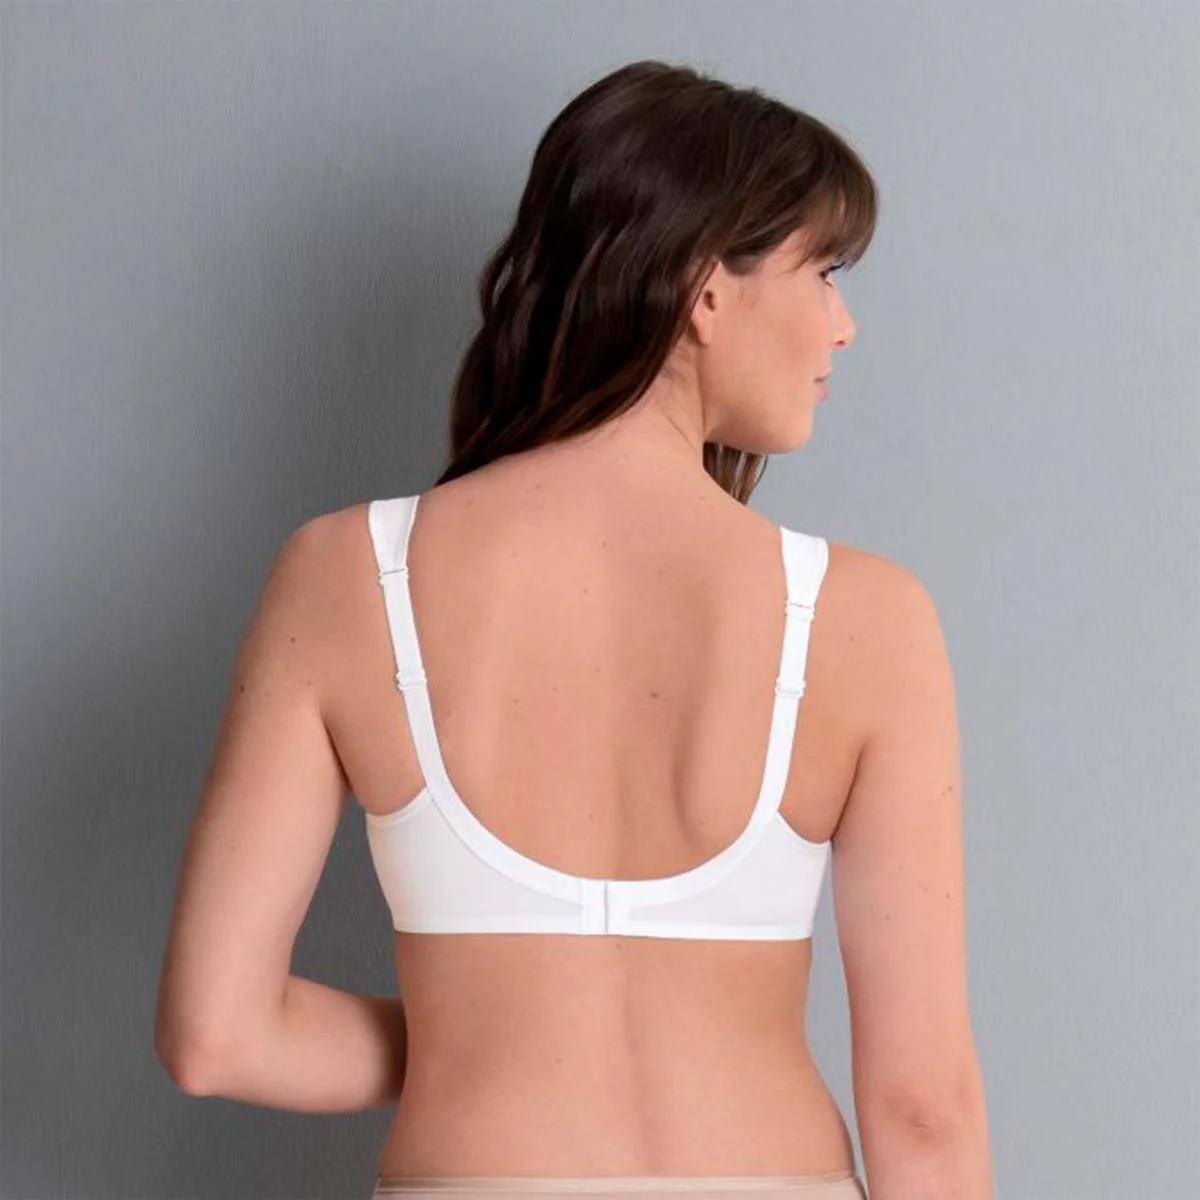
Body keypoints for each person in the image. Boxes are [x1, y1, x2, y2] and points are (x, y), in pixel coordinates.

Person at [155, 58, 993, 1200]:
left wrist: (484, 1027)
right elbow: (922, 1108)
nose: (842, 328)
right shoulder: (867, 619)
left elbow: (217, 1035)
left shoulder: (343, 578)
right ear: (707, 289)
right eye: (825, 273)